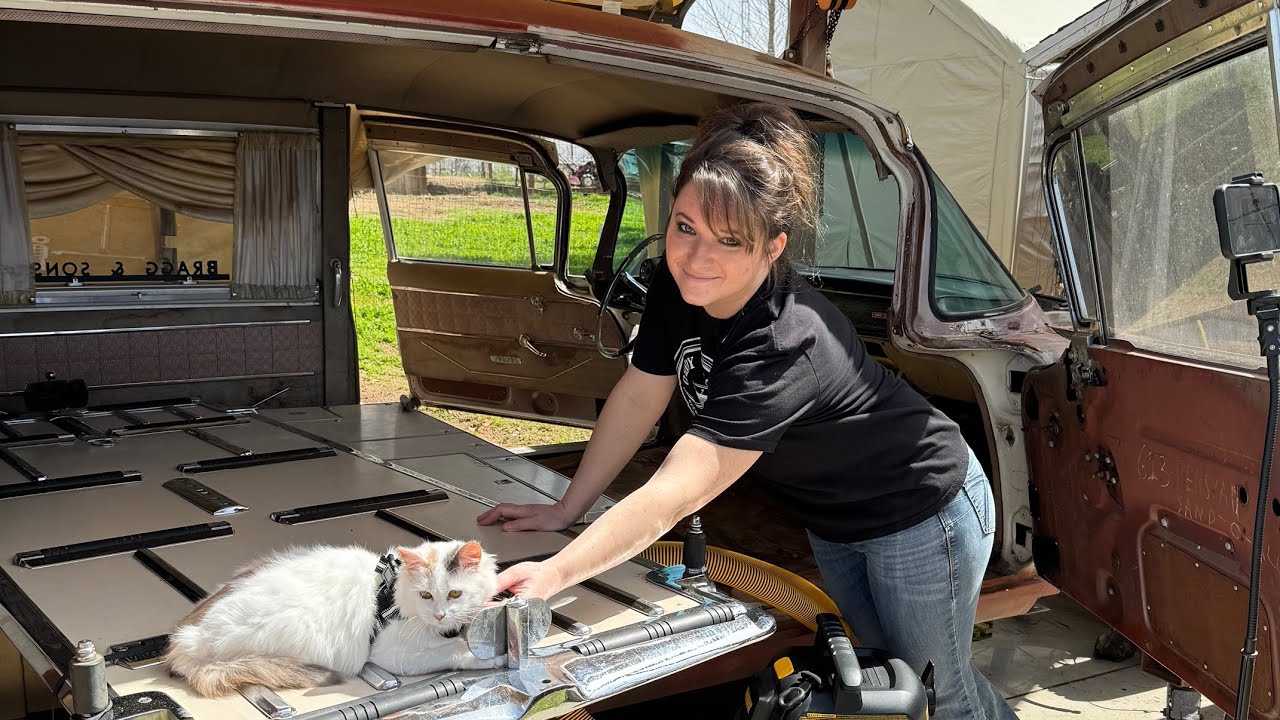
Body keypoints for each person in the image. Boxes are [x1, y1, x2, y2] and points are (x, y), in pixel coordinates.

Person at [475, 101, 1017, 720]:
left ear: (772, 247)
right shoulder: (675, 288)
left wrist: (554, 574)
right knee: (887, 675)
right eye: (685, 227)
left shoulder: (787, 340)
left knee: (932, 696)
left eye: (729, 241)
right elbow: (639, 392)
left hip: (922, 511)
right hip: (835, 519)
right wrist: (567, 508)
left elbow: (679, 490)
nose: (697, 257)